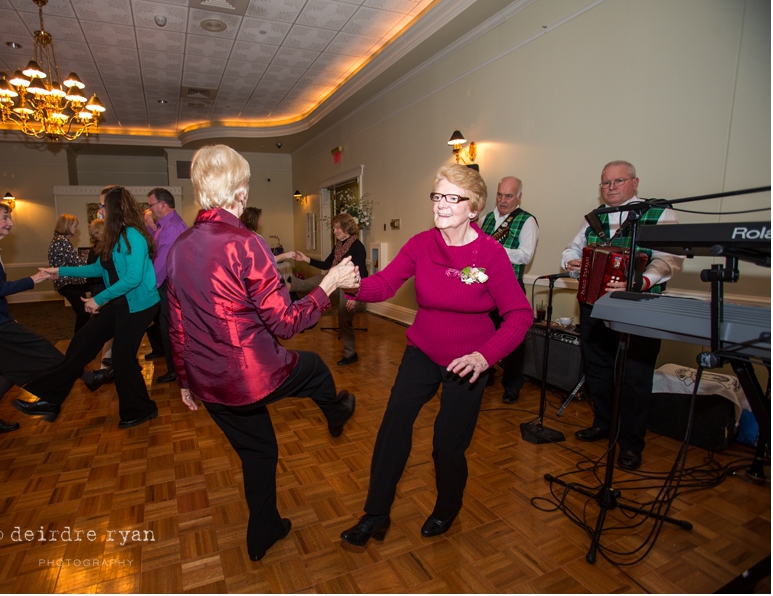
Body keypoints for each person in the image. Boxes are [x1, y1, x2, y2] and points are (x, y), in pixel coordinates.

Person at [168, 144, 358, 561]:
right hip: (252, 376)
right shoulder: (246, 242)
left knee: (259, 450)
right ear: (239, 193)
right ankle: (336, 412)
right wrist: (328, 287)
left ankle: (264, 531)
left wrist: (185, 380)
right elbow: (286, 324)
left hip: (207, 381)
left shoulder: (179, 246)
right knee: (316, 367)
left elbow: (176, 326)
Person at [340, 163, 532, 546]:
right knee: (393, 427)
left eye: (452, 198)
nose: (441, 205)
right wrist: (353, 284)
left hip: (467, 363)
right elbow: (385, 283)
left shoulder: (490, 255)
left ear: (474, 207)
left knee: (447, 445)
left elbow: (520, 315)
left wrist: (484, 357)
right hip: (422, 351)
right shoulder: (421, 245)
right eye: (437, 196)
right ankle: (375, 514)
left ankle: (447, 507)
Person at [561, 160, 682, 470]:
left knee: (635, 377)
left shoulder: (659, 213)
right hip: (594, 306)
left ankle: (631, 443)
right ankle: (604, 424)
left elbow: (670, 259)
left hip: (639, 307)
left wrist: (641, 280)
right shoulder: (594, 218)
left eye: (618, 181)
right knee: (598, 369)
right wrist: (573, 264)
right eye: (605, 183)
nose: (610, 188)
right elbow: (571, 251)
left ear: (635, 182)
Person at [0, 202, 104, 438]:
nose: (10, 223)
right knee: (40, 348)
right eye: (4, 217)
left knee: (9, 370)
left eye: (9, 217)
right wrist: (34, 280)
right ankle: (87, 378)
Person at [17, 186, 160, 429]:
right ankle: (51, 398)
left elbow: (133, 278)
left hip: (138, 306)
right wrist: (59, 271)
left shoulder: (133, 235)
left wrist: (99, 298)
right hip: (119, 302)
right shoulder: (112, 236)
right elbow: (98, 269)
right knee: (82, 342)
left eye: (103, 205)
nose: (99, 209)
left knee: (123, 359)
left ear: (115, 208)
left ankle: (141, 409)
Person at [480, 176, 539, 404]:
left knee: (513, 339)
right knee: (483, 333)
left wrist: (496, 250)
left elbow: (525, 255)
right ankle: (487, 373)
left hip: (509, 288)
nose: (503, 200)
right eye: (500, 194)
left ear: (519, 197)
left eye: (509, 196)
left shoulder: (527, 221)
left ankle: (512, 384)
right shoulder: (485, 218)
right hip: (484, 289)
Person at [294, 213, 368, 365]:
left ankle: (350, 354)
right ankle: (283, 285)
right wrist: (305, 259)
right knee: (309, 283)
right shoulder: (339, 246)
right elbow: (327, 264)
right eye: (334, 228)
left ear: (347, 228)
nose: (334, 232)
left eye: (337, 228)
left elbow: (362, 275)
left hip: (350, 288)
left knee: (344, 319)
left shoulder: (358, 247)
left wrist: (355, 298)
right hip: (335, 280)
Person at [143, 187, 188, 383]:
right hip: (167, 284)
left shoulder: (172, 227)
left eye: (151, 205)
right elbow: (157, 246)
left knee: (170, 328)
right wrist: (149, 226)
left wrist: (147, 287)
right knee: (166, 327)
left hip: (169, 286)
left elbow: (161, 263)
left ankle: (175, 370)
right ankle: (173, 366)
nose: (150, 209)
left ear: (162, 204)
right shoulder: (166, 226)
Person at [48, 214, 90, 334]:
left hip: (66, 282)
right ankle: (80, 341)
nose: (77, 229)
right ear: (67, 226)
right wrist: (96, 267)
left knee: (83, 312)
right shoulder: (62, 241)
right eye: (75, 226)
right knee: (83, 313)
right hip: (69, 282)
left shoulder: (58, 240)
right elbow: (76, 263)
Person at [87, 218, 112, 369]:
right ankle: (105, 365)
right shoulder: (103, 250)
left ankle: (107, 362)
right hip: (103, 291)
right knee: (106, 328)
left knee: (106, 327)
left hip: (98, 290)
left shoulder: (93, 249)